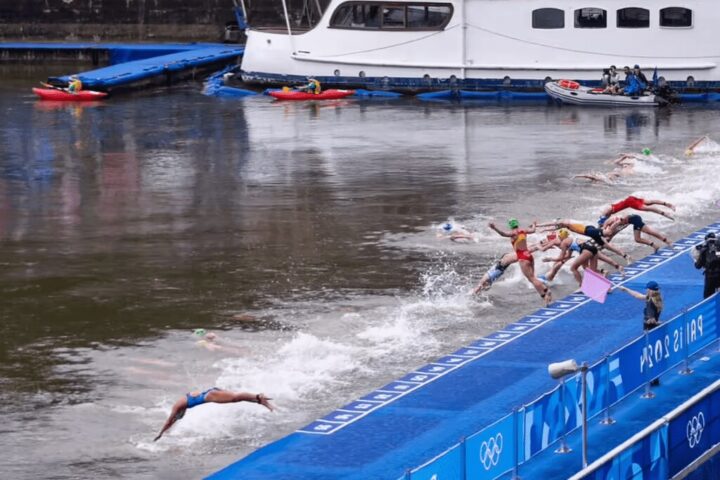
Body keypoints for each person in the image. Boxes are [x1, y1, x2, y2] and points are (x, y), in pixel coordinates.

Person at [154, 388, 274, 441]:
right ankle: (260, 401)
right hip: (211, 391)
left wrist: (160, 434)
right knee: (236, 398)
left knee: (236, 397)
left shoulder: (177, 407)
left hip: (210, 396)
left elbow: (169, 421)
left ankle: (259, 397)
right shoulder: (182, 402)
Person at [488, 218, 552, 305]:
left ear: (510, 226)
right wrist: (533, 224)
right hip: (529, 255)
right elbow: (533, 230)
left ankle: (546, 290)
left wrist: (494, 228)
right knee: (532, 278)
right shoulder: (523, 231)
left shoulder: (513, 233)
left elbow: (503, 234)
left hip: (522, 258)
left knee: (532, 279)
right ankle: (544, 296)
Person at [615, 280, 663, 385]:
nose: (646, 291)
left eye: (647, 289)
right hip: (656, 331)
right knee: (655, 354)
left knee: (649, 355)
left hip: (649, 331)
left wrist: (649, 321)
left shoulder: (650, 303)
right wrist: (626, 290)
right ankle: (656, 377)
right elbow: (639, 296)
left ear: (650, 290)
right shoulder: (657, 299)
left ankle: (652, 379)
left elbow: (652, 320)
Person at [537, 219, 630, 263]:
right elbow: (554, 226)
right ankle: (625, 255)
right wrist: (542, 229)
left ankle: (618, 221)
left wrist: (539, 225)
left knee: (608, 233)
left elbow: (553, 223)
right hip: (589, 230)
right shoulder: (565, 225)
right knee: (607, 245)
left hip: (589, 231)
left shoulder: (565, 222)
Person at [603, 214, 672, 253]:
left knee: (649, 232)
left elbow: (611, 233)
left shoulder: (615, 223)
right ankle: (655, 245)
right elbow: (613, 233)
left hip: (635, 219)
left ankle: (666, 241)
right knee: (637, 239)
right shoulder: (611, 224)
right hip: (633, 219)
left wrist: (607, 239)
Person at [597, 195, 675, 225]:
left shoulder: (606, 213)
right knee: (649, 202)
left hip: (630, 202)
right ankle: (668, 204)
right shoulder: (607, 212)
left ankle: (665, 214)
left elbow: (603, 222)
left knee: (648, 208)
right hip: (630, 199)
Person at [694, 232, 720, 298]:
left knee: (708, 297)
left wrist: (695, 259)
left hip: (710, 277)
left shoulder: (704, 250)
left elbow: (698, 266)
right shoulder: (718, 248)